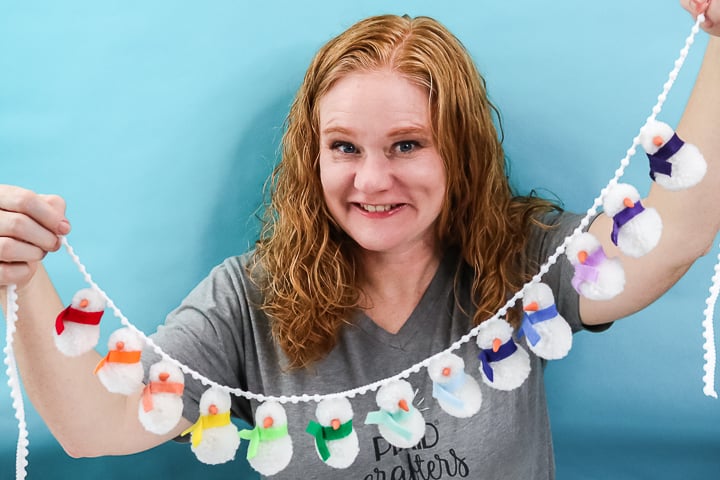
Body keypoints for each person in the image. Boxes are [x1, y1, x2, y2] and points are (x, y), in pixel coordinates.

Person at [1, 1, 718, 478]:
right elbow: (98, 425)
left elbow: (670, 237)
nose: (372, 180)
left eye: (407, 144)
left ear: (459, 152)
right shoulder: (248, 301)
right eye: (344, 147)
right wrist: (22, 276)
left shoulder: (524, 260)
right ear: (312, 157)